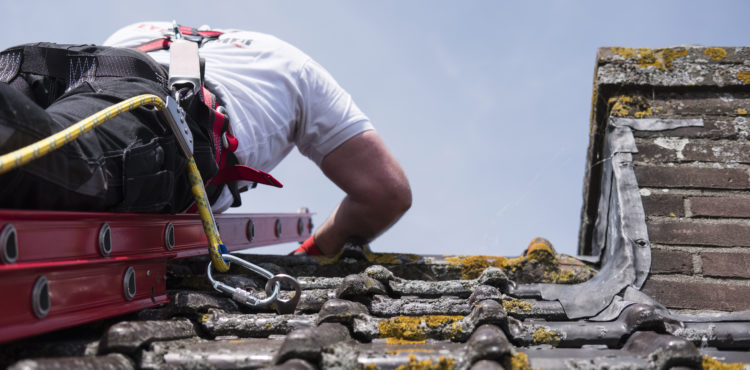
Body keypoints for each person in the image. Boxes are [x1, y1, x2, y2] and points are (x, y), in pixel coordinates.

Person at [0, 22, 411, 256]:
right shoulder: (290, 63)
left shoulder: (138, 28)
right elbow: (385, 192)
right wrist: (313, 253)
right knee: (53, 161)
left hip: (46, 67)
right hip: (161, 115)